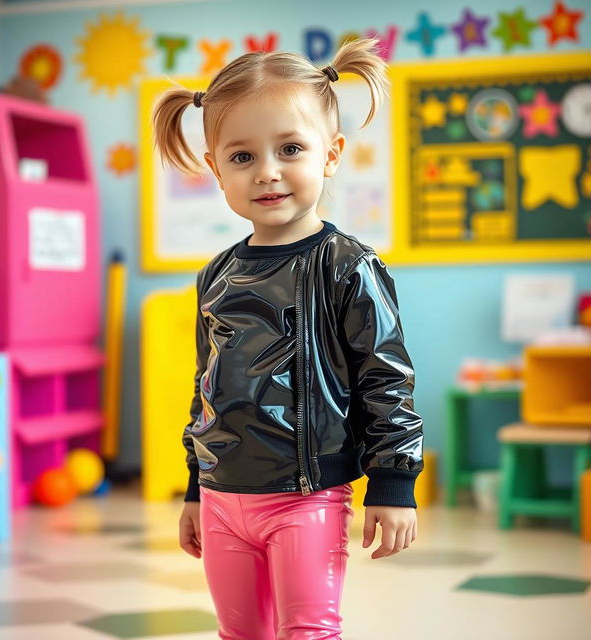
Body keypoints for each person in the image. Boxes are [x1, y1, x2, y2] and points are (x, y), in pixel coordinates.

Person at [152, 35, 424, 640]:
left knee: (308, 630)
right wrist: (196, 486)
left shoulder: (349, 265)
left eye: (291, 148)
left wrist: (394, 480)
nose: (268, 172)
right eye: (242, 157)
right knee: (239, 633)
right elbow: (207, 387)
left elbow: (387, 376)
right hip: (224, 496)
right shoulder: (216, 275)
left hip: (307, 495)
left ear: (331, 155)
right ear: (216, 169)